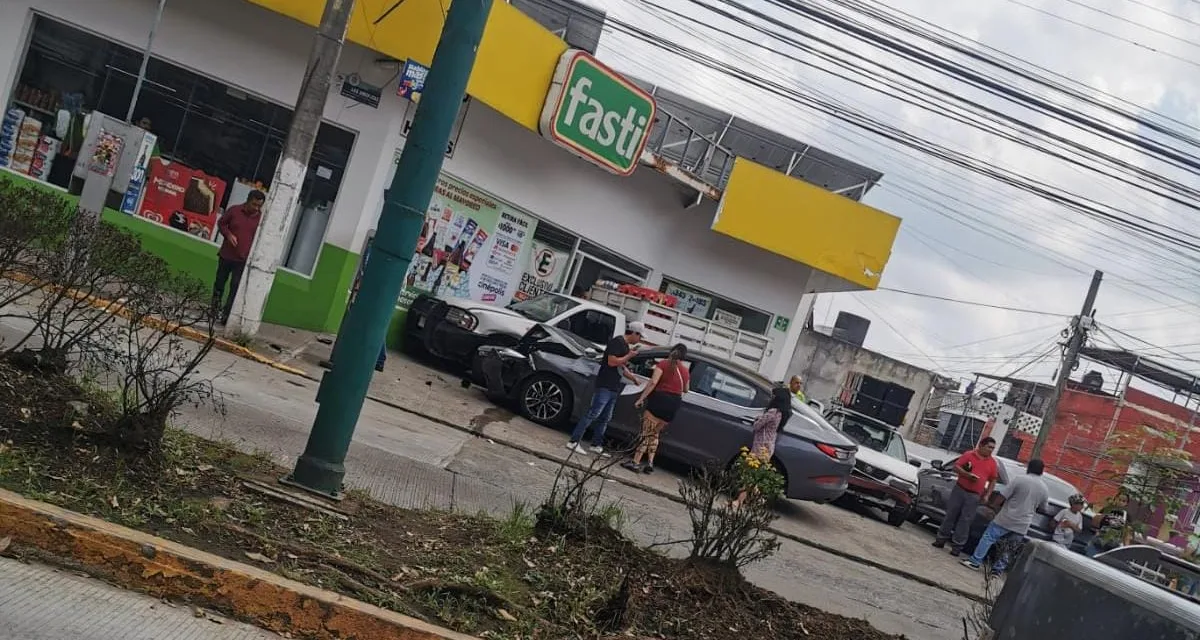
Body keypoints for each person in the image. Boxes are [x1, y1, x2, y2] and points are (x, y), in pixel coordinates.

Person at [566, 322, 644, 456]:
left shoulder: (625, 346)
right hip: (605, 384)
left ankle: (596, 444)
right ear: (634, 333)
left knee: (605, 417)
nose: (640, 339)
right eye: (640, 336)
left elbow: (621, 367)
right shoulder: (616, 342)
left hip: (614, 386)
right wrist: (629, 356)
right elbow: (612, 362)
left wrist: (633, 378)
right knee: (593, 413)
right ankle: (574, 441)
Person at [961, 458, 1050, 573]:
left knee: (988, 538)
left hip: (1006, 518)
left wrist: (993, 507)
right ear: (1041, 471)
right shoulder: (1044, 488)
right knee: (1009, 548)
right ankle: (997, 570)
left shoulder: (1019, 480)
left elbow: (1003, 496)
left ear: (1029, 468)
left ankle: (975, 562)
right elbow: (1044, 508)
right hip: (1023, 524)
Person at [623, 343, 689, 474]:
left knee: (646, 432)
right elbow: (686, 389)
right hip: (673, 405)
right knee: (655, 434)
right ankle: (650, 463)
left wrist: (641, 399)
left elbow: (653, 382)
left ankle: (635, 462)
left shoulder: (663, 364)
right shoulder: (685, 371)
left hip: (659, 401)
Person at [932, 437, 1001, 556]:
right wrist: (966, 475)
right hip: (960, 489)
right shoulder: (969, 455)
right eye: (989, 447)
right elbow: (956, 467)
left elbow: (993, 480)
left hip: (974, 495)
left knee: (965, 520)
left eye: (993, 448)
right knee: (951, 515)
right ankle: (941, 539)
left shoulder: (992, 463)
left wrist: (987, 495)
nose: (991, 450)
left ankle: (957, 547)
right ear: (981, 445)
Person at [731, 386, 793, 509]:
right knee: (754, 475)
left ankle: (739, 501)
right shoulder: (782, 414)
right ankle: (758, 498)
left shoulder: (772, 412)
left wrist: (758, 419)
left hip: (760, 445)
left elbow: (757, 426)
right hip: (769, 446)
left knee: (749, 474)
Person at [212, 190, 265, 325]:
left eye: (259, 206)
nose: (256, 208)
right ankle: (213, 311)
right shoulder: (234, 210)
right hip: (226, 255)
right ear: (247, 201)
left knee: (235, 288)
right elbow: (222, 223)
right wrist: (228, 235)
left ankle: (226, 315)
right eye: (254, 204)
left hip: (242, 260)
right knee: (219, 284)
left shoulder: (260, 219)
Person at [1086, 492, 1130, 557]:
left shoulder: (1126, 516)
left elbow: (1127, 534)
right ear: (1115, 499)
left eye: (1123, 501)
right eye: (1119, 499)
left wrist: (1126, 548)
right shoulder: (1106, 509)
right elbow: (1094, 523)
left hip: (1113, 545)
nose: (1120, 502)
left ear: (1126, 504)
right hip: (1099, 541)